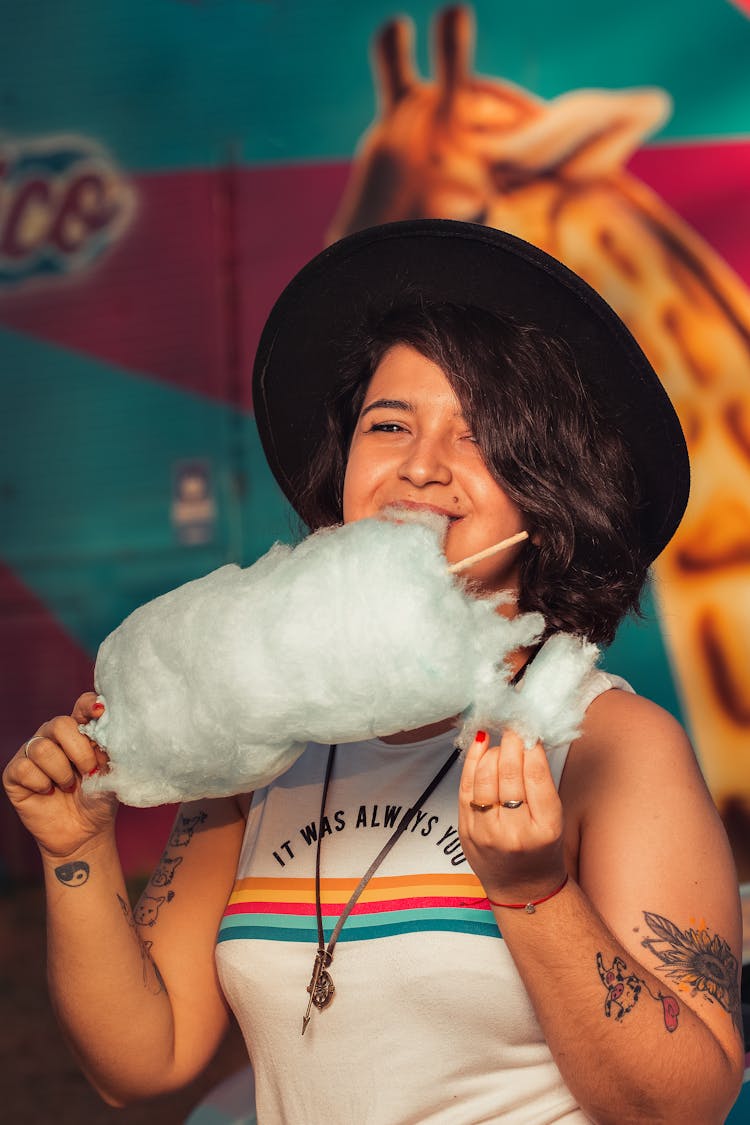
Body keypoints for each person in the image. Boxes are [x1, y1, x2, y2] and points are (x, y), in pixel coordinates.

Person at [4, 220, 744, 1123]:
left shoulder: (609, 744)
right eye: (387, 424)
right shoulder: (261, 730)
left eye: (479, 437)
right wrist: (74, 851)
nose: (420, 467)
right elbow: (143, 1060)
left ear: (544, 502)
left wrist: (536, 892)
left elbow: (691, 1104)